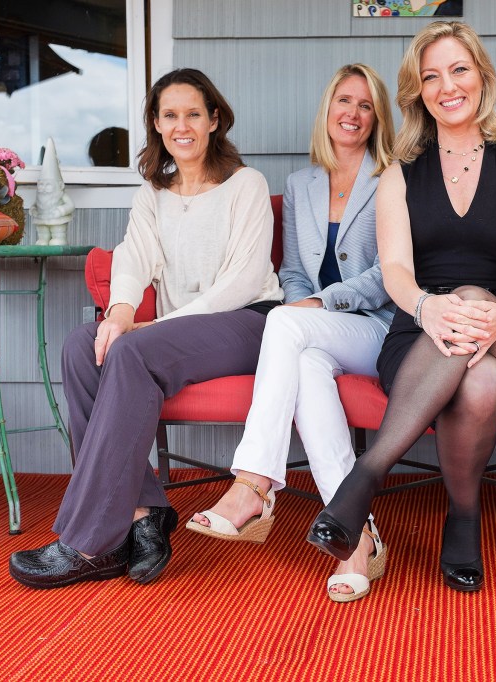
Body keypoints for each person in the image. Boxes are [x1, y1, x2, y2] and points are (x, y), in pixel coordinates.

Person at [9, 68, 283, 589]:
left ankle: (87, 542)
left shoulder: (246, 184)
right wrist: (118, 315)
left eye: (194, 114)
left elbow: (244, 280)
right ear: (156, 124)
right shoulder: (152, 193)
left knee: (133, 353)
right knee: (81, 347)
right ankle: (143, 515)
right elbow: (132, 259)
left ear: (214, 119)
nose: (183, 126)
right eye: (170, 115)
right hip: (177, 335)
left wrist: (154, 327)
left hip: (249, 322)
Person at [305, 21, 496, 593]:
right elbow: (394, 270)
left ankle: (364, 480)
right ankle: (464, 518)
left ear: (482, 78)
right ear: (417, 92)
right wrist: (425, 307)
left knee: (476, 306)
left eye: (459, 70)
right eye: (430, 76)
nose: (447, 86)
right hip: (417, 338)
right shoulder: (399, 177)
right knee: (479, 383)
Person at [185, 64, 396, 603]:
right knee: (301, 358)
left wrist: (321, 302)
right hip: (313, 334)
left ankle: (253, 483)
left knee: (283, 321)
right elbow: (297, 272)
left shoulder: (393, 176)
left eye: (365, 105)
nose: (351, 113)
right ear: (326, 110)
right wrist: (305, 301)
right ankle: (356, 537)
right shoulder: (301, 184)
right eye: (342, 101)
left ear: (376, 119)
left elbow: (391, 272)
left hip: (375, 329)